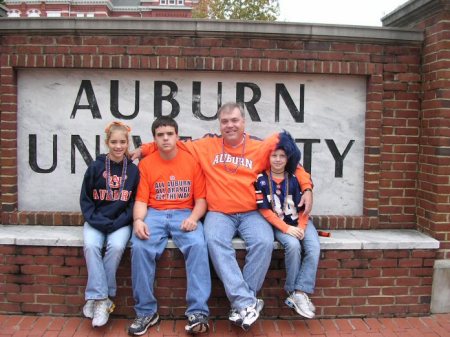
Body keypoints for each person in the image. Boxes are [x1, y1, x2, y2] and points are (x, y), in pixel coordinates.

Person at [133, 102, 314, 330]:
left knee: (264, 242)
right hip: (219, 213)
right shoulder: (206, 145)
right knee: (215, 241)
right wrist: (143, 150)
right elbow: (170, 145)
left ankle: (241, 303)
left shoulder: (258, 147)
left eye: (235, 121)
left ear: (243, 122)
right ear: (220, 124)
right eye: (225, 121)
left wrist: (307, 188)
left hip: (252, 212)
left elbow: (292, 162)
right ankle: (246, 303)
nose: (230, 126)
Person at [128, 116, 210, 336]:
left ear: (177, 136)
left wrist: (194, 218)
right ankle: (146, 312)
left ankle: (198, 312)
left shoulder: (192, 160)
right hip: (154, 213)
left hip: (184, 213)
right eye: (160, 135)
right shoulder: (147, 163)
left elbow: (201, 200)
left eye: (169, 134)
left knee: (198, 245)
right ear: (154, 139)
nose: (165, 138)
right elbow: (142, 200)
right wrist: (138, 221)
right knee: (139, 246)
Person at [255, 131, 320, 319]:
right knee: (292, 245)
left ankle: (301, 292)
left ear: (288, 158)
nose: (277, 159)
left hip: (301, 222)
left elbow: (304, 210)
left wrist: (300, 226)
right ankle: (291, 290)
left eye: (282, 156)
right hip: (281, 225)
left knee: (313, 247)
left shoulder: (295, 179)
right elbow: (265, 211)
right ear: (268, 157)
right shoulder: (261, 180)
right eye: (274, 155)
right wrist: (287, 229)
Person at [80, 121, 139, 327]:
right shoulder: (95, 167)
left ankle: (95, 298)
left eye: (122, 142)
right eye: (114, 142)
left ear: (127, 143)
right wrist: (99, 222)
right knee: (91, 246)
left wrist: (118, 223)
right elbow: (86, 200)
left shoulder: (133, 171)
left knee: (116, 246)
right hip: (96, 221)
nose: (118, 146)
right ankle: (102, 299)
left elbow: (133, 203)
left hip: (120, 223)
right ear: (107, 143)